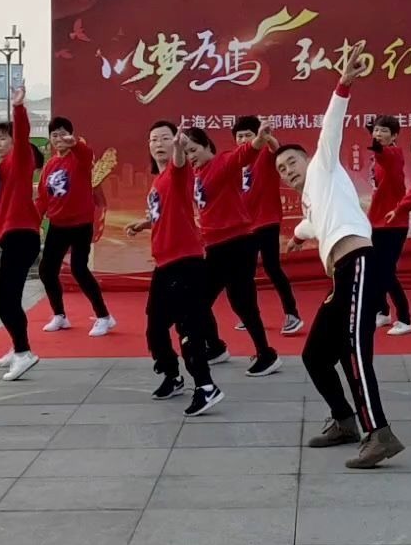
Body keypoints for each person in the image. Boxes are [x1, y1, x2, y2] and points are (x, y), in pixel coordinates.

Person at [276, 44, 406, 469]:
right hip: (342, 275)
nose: (289, 170)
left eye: (292, 162)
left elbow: (330, 128)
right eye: (282, 170)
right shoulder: (314, 202)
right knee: (315, 355)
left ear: (306, 160)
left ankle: (379, 432)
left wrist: (343, 84)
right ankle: (345, 420)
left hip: (359, 264)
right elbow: (309, 226)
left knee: (353, 349)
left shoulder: (322, 168)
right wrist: (296, 238)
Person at [126, 122, 225, 416]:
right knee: (154, 328)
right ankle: (173, 376)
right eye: (153, 139)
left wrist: (180, 146)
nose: (159, 143)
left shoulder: (178, 172)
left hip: (186, 262)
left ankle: (206, 387)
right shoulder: (158, 182)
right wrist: (144, 224)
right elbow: (167, 215)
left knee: (189, 328)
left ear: (175, 143)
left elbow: (180, 161)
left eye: (166, 138)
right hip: (164, 263)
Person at [185, 126, 282, 377]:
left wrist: (259, 140)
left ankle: (266, 354)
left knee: (242, 300)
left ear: (207, 145)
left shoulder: (222, 162)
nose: (190, 156)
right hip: (215, 247)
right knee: (198, 300)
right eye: (185, 152)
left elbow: (244, 155)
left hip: (237, 243)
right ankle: (216, 347)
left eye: (194, 150)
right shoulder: (196, 173)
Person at [0, 88, 42, 383]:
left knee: (2, 298)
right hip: (10, 237)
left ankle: (24, 352)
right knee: (7, 298)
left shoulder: (20, 159)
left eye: (3, 137)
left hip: (22, 235)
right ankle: (17, 347)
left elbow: (24, 132)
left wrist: (19, 107)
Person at [37, 116, 115, 337]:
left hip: (80, 224)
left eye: (63, 133)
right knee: (46, 270)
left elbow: (86, 153)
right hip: (57, 225)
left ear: (71, 135)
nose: (59, 138)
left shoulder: (79, 158)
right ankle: (59, 315)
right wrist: (34, 222)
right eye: (54, 135)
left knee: (79, 269)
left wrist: (76, 144)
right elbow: (43, 198)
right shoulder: (50, 165)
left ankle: (104, 317)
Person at [235, 115, 303, 336]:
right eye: (240, 136)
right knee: (244, 273)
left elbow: (276, 148)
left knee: (272, 268)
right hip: (245, 226)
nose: (244, 139)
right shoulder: (237, 160)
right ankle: (250, 316)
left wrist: (267, 137)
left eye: (248, 135)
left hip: (267, 220)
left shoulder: (265, 154)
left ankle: (292, 314)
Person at [366, 114, 411, 336]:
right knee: (375, 270)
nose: (379, 134)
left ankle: (405, 318)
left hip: (394, 223)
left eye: (384, 131)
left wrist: (377, 145)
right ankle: (383, 312)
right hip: (377, 222)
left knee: (386, 272)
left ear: (395, 135)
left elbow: (385, 156)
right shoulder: (379, 156)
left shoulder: (394, 154)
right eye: (376, 130)